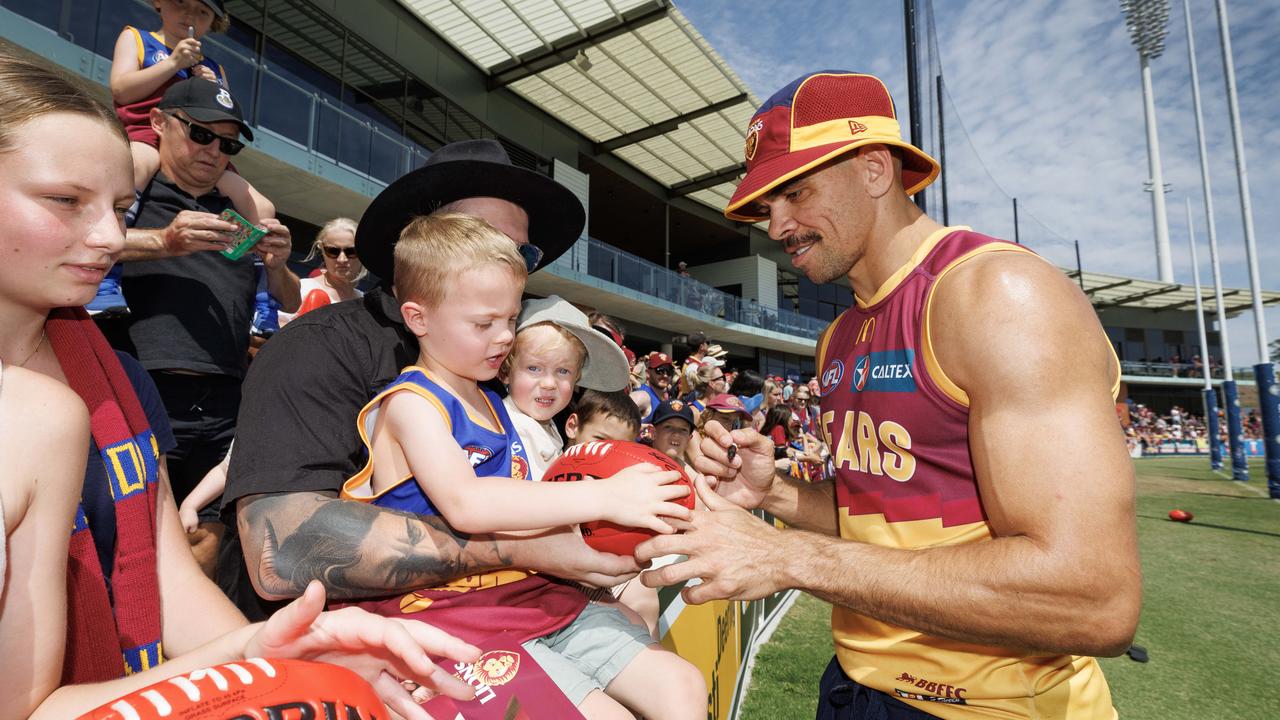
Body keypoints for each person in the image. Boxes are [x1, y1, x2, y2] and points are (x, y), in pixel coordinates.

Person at [639, 71, 1139, 720]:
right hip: (855, 687)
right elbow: (890, 522)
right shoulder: (841, 338)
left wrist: (789, 557)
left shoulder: (999, 295)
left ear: (875, 169)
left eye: (795, 192)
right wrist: (775, 494)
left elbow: (1093, 597)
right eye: (766, 207)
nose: (777, 224)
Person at [0, 44, 479, 719]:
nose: (110, 235)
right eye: (66, 201)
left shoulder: (117, 384)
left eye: (119, 206)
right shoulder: (58, 401)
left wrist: (277, 652)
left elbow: (165, 583)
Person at [220, 139, 641, 627]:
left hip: (494, 615)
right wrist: (527, 548)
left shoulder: (511, 357)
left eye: (522, 251)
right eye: (484, 238)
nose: (511, 263)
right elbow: (281, 555)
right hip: (327, 656)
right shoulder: (317, 346)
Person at [337, 212, 703, 718]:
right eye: (484, 323)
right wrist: (604, 495)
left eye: (510, 319)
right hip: (444, 616)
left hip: (521, 593)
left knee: (682, 685)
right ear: (418, 318)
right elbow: (467, 504)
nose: (505, 336)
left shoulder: (493, 401)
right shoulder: (411, 403)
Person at [117, 77, 300, 541]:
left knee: (209, 532)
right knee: (134, 532)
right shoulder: (133, 191)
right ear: (158, 122)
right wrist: (164, 240)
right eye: (200, 134)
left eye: (227, 144)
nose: (214, 151)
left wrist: (277, 265)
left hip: (225, 397)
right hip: (143, 385)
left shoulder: (238, 210)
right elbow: (82, 243)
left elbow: (290, 298)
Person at [109, 0, 273, 222]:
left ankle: (254, 255)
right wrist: (173, 63)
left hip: (201, 142)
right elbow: (121, 90)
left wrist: (213, 86)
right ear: (159, 2)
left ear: (213, 22)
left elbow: (225, 115)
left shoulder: (216, 68)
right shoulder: (136, 37)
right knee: (136, 166)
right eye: (180, 3)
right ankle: (118, 226)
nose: (190, 14)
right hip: (146, 132)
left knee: (261, 206)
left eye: (203, 12)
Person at [500, 295, 631, 482]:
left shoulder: (548, 426)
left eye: (563, 371)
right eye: (534, 368)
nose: (549, 383)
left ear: (577, 377)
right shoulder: (504, 430)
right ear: (505, 372)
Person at [278, 217, 364, 326]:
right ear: (322, 250)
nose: (342, 259)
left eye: (351, 251)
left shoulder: (366, 302)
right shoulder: (302, 289)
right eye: (333, 251)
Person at [564, 389, 643, 444]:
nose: (608, 452)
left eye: (621, 447)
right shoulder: (551, 459)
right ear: (573, 426)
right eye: (601, 440)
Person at [630, 351, 676, 425]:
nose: (665, 375)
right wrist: (641, 428)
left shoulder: (660, 398)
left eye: (669, 372)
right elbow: (616, 418)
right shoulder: (642, 395)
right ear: (648, 373)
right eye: (660, 371)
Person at [649, 399, 696, 466]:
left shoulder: (687, 472)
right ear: (652, 432)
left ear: (689, 439)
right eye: (668, 427)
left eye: (683, 429)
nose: (676, 434)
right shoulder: (639, 462)